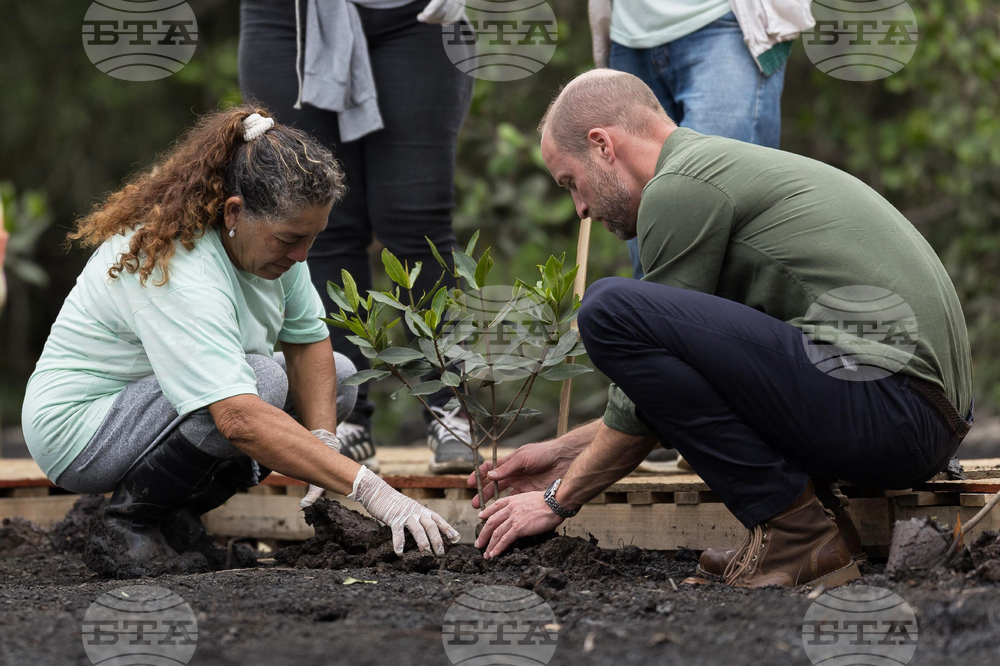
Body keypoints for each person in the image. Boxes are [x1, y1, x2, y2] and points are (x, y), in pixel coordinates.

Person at [469, 70, 974, 589]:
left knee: (609, 310)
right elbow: (674, 390)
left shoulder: (681, 188)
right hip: (915, 420)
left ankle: (796, 536)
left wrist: (557, 500)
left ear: (602, 145)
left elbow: (644, 389)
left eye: (570, 183)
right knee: (646, 323)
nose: (580, 208)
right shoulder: (714, 171)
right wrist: (563, 454)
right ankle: (823, 530)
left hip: (893, 410)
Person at [22, 106, 460, 578]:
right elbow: (237, 417)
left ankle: (177, 519)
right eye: (290, 239)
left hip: (157, 407)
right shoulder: (175, 264)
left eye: (312, 238)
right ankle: (130, 524)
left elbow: (308, 343)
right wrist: (373, 491)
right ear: (234, 211)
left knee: (339, 376)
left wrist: (323, 443)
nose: (302, 255)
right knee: (261, 384)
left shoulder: (276, 247)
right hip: (81, 431)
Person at [239, 0, 479, 475]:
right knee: (317, 223)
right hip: (287, 18)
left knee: (416, 218)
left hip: (416, 17)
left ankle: (450, 405)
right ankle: (343, 417)